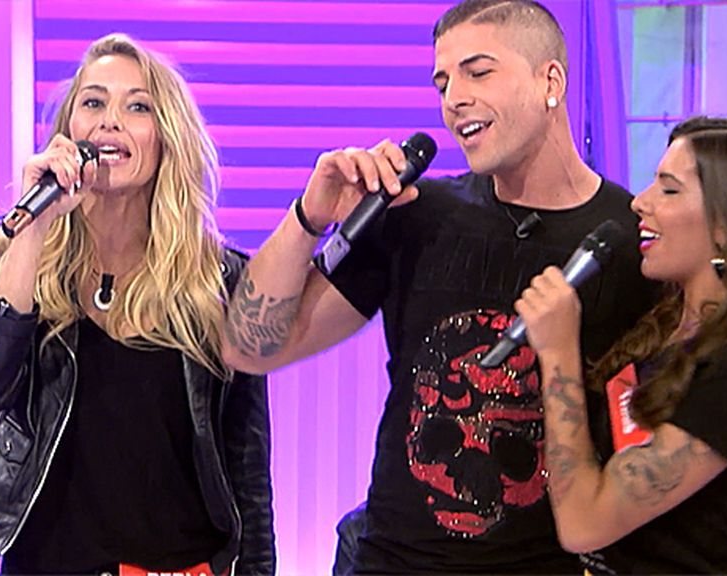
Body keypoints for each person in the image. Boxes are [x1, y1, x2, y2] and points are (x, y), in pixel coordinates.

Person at [222, 1, 657, 573]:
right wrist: (309, 215)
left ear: (550, 81)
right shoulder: (418, 214)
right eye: (443, 82)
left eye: (478, 72)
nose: (454, 99)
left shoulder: (629, 239)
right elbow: (249, 349)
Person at [0, 34, 274, 575]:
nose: (110, 122)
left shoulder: (221, 282)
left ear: (166, 137)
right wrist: (35, 227)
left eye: (137, 107)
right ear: (68, 132)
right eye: (93, 102)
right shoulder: (17, 254)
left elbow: (247, 469)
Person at [515, 115, 727, 574]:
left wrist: (557, 353)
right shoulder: (665, 329)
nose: (640, 203)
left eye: (669, 190)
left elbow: (584, 523)